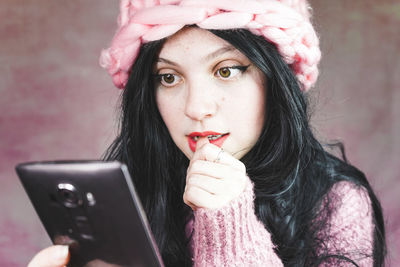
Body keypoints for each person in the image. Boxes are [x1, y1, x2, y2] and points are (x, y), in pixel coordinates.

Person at [28, 0, 386, 266]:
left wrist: (230, 227)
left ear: (276, 80)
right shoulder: (129, 193)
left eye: (227, 70)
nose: (196, 108)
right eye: (169, 77)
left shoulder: (337, 201)